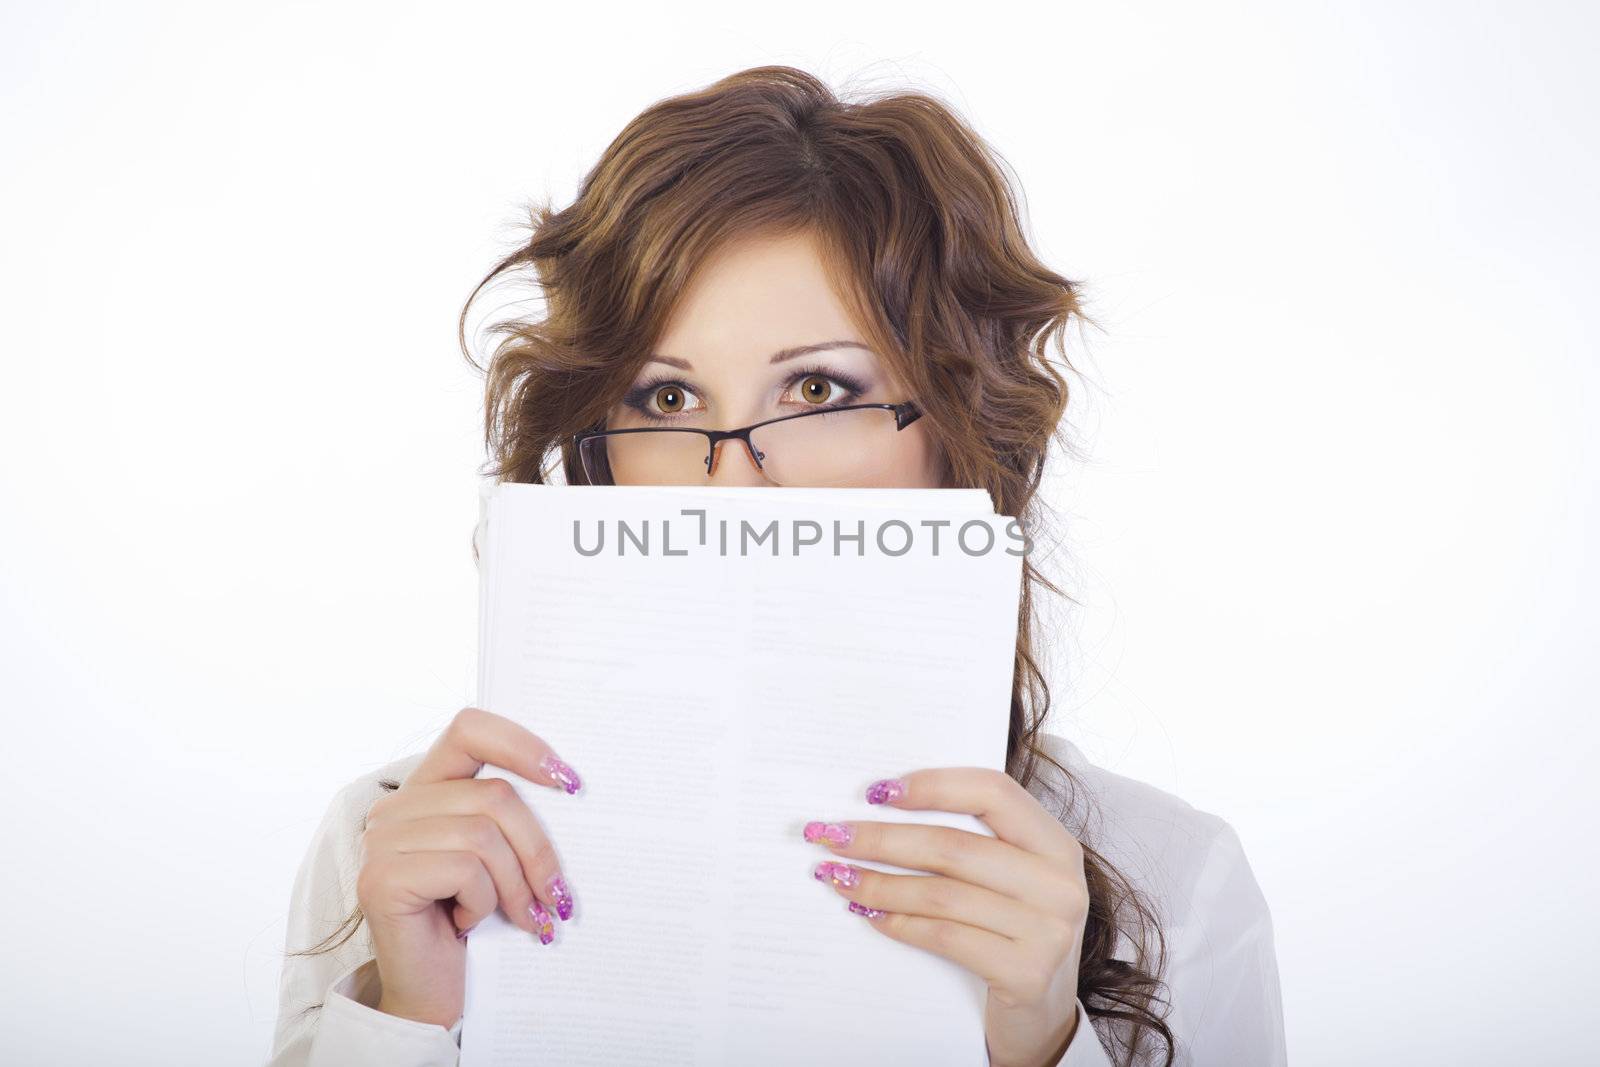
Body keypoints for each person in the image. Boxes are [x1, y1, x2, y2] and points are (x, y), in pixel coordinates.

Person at [267, 65, 1287, 1066]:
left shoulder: (1175, 882)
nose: (732, 488)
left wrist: (1043, 1046)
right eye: (664, 401)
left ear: (963, 434)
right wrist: (405, 1016)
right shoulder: (397, 842)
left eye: (815, 386)